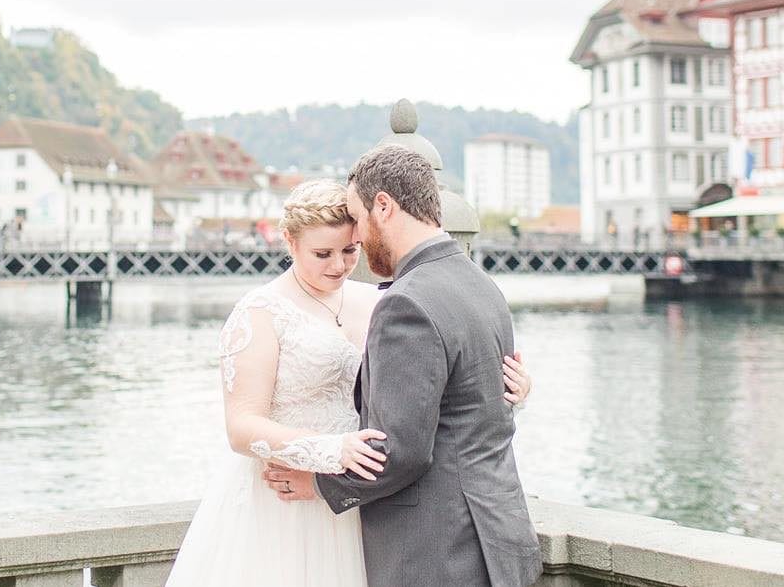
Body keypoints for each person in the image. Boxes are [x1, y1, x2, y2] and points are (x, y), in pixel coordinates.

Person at [165, 177, 533, 587]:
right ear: (289, 241)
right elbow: (241, 427)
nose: (338, 265)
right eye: (322, 253)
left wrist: (510, 390)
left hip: (360, 497)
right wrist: (330, 450)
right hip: (284, 499)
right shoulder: (259, 312)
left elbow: (432, 382)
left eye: (349, 250)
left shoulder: (382, 300)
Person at [263, 146, 542, 587]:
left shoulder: (405, 303)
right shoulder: (481, 285)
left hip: (437, 554)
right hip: (501, 540)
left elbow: (400, 452)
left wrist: (316, 484)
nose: (354, 233)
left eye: (356, 216)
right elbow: (480, 409)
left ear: (385, 206)